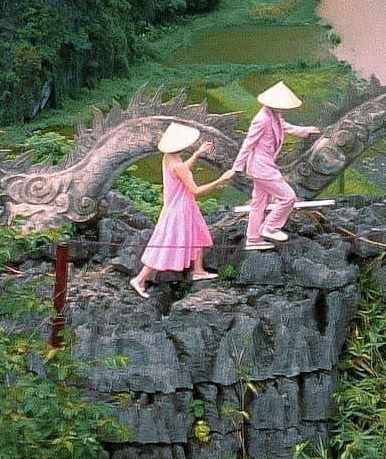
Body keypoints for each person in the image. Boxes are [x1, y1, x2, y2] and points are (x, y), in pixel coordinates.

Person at [129, 123, 229, 298]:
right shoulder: (177, 164)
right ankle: (140, 279)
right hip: (180, 209)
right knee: (165, 244)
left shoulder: (169, 157)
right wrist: (220, 180)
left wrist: (197, 154)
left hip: (182, 205)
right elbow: (196, 190)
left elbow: (181, 172)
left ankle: (198, 270)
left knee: (198, 233)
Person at [231, 82, 320, 251]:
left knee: (259, 202)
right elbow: (248, 143)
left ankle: (253, 238)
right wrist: (237, 167)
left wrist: (304, 131)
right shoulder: (261, 119)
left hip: (264, 165)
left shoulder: (274, 115)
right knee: (288, 197)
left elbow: (285, 127)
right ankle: (270, 227)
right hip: (261, 167)